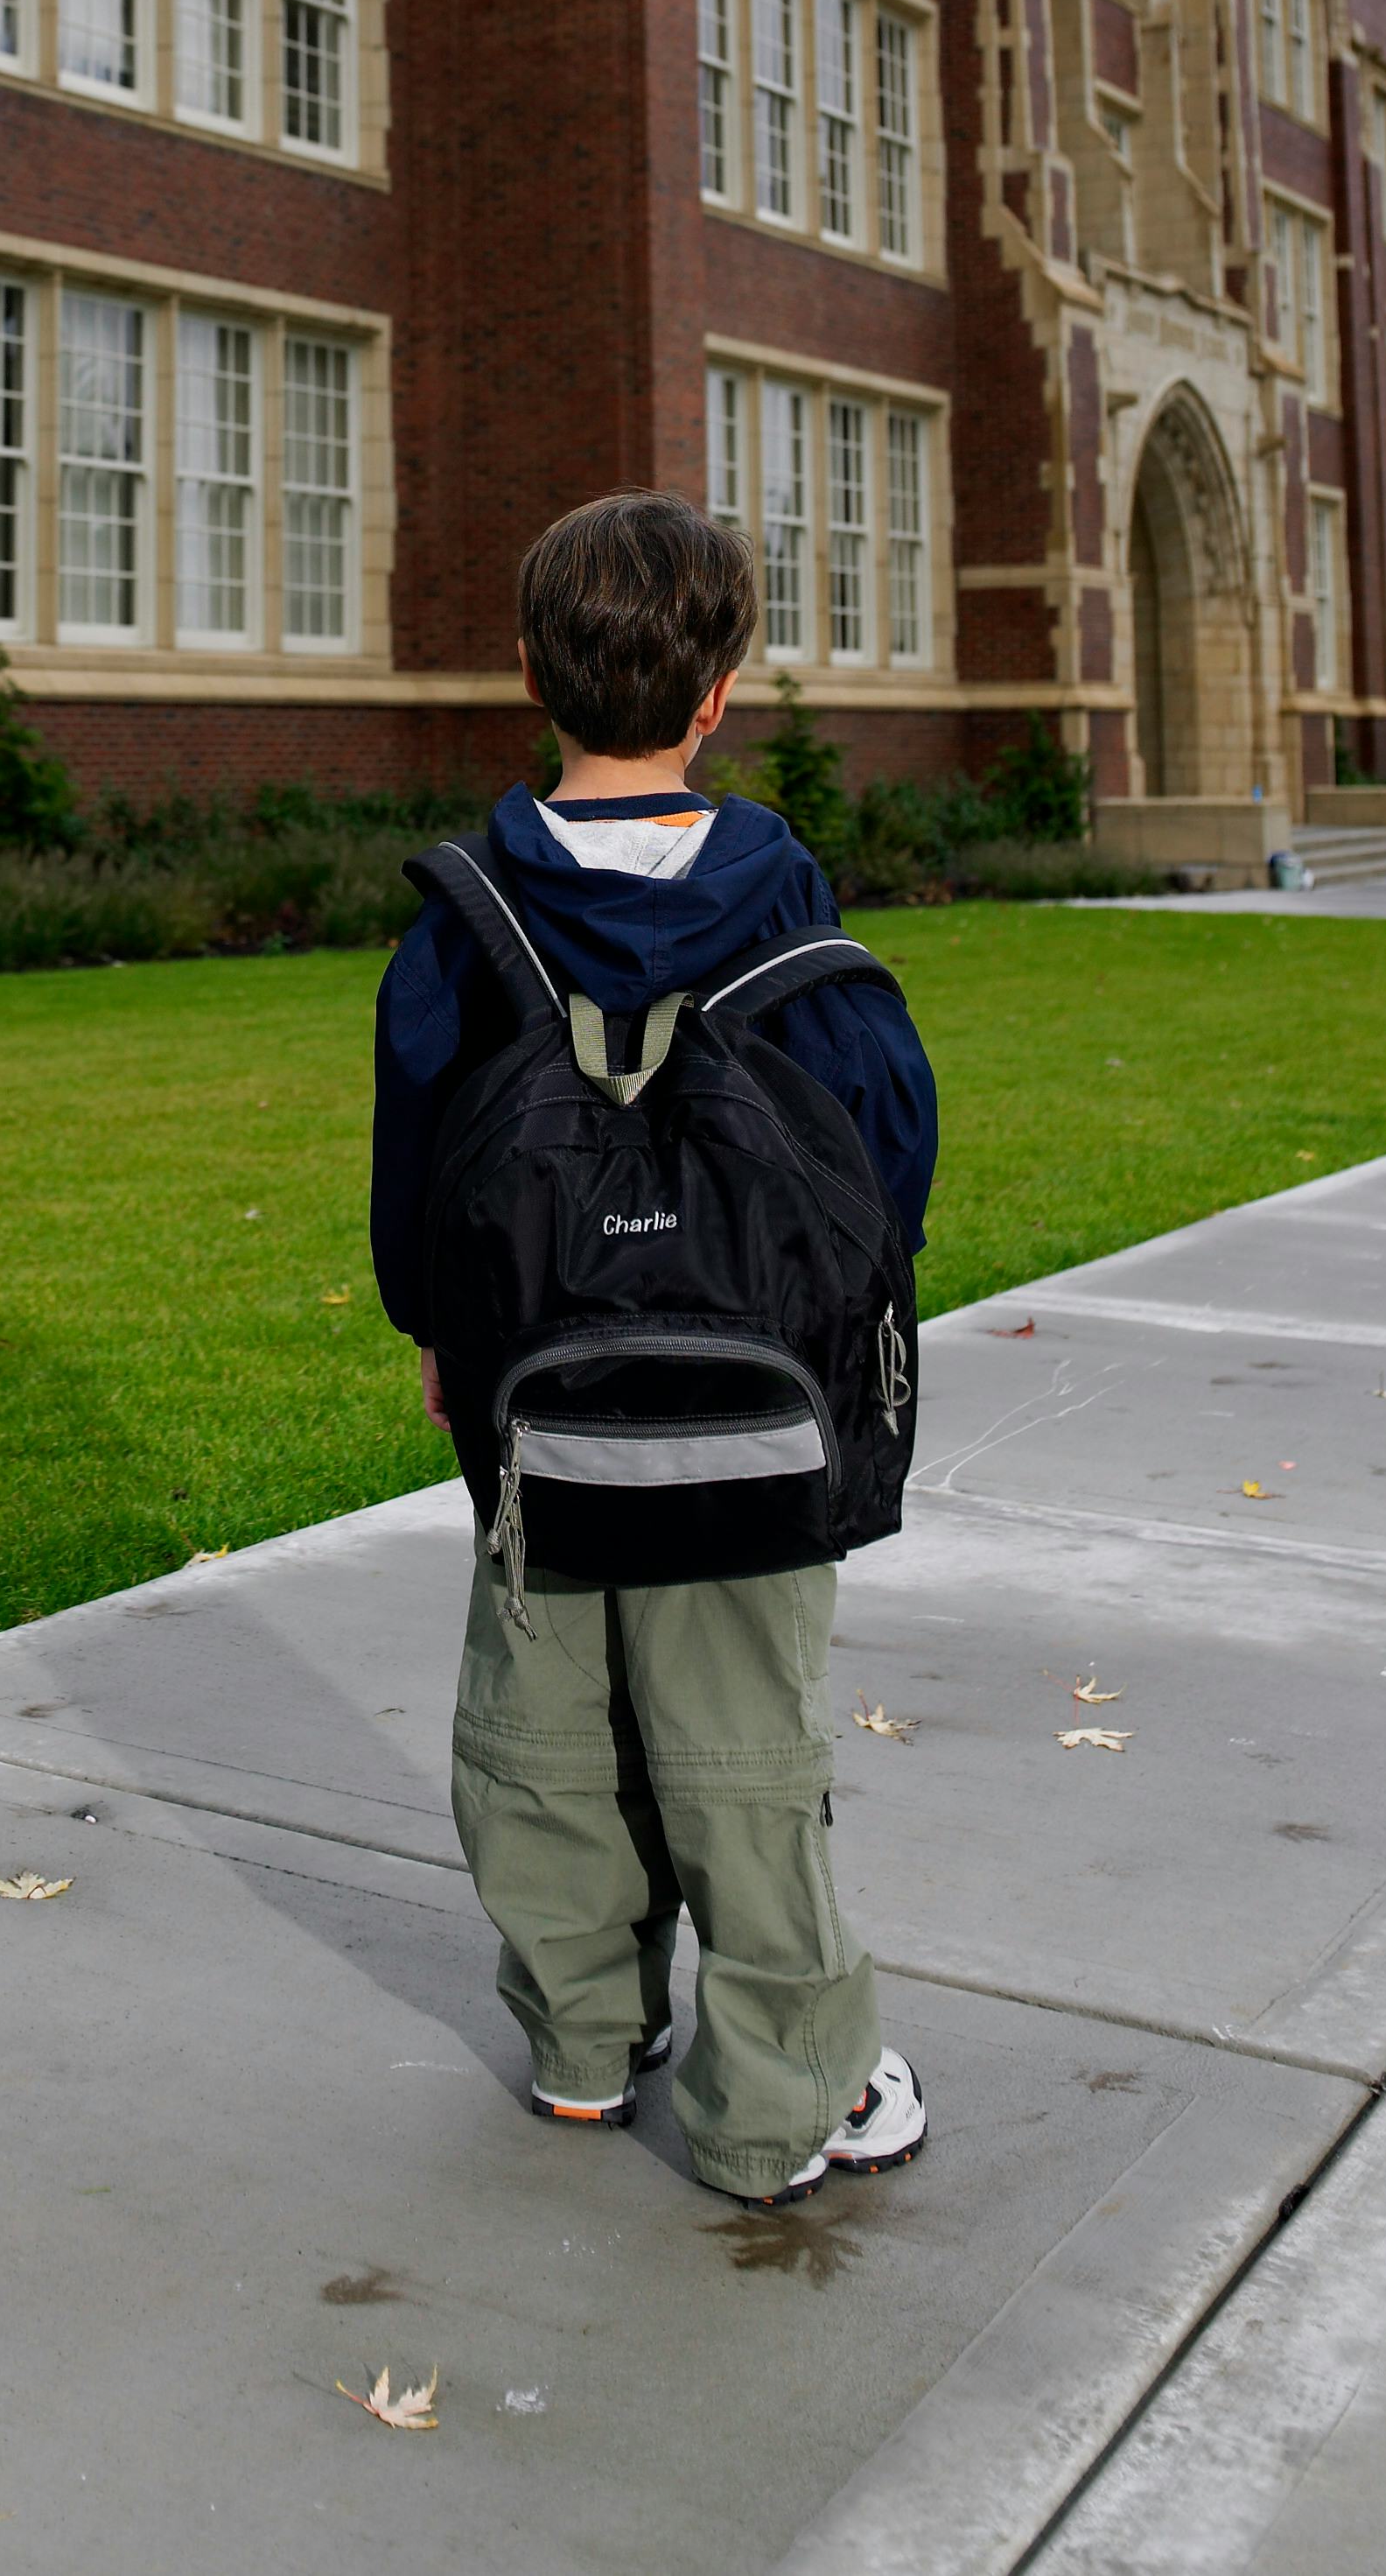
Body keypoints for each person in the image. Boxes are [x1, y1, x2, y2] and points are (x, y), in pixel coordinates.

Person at [372, 489, 939, 2209]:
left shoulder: (466, 913)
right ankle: (782, 2097)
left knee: (541, 1726)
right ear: (721, 693)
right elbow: (880, 1145)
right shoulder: (782, 897)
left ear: (531, 674)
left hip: (536, 1399)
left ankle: (580, 2039)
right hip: (754, 1412)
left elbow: (418, 1156)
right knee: (739, 1741)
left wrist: (439, 1335)